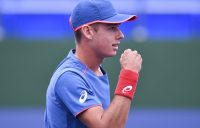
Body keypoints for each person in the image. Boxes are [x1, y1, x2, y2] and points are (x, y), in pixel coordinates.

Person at [44, 0, 142, 128]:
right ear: (88, 31)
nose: (121, 35)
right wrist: (129, 75)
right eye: (112, 28)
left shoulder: (96, 71)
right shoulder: (69, 77)